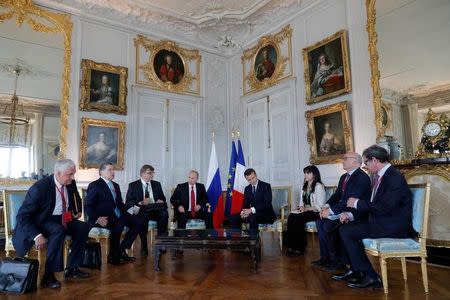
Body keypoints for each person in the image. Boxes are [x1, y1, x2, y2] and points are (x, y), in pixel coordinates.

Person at [338, 145, 413, 289]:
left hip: (394, 226)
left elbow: (384, 207)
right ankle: (358, 270)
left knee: (347, 231)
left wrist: (357, 203)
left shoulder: (394, 177)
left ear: (375, 160)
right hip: (383, 221)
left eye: (366, 163)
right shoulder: (383, 176)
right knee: (346, 227)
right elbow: (378, 206)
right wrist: (351, 214)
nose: (365, 166)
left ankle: (371, 277)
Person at [13, 159, 91, 289]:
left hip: (62, 218)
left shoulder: (69, 183)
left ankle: (72, 268)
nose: (72, 178)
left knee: (82, 227)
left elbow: (72, 201)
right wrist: (37, 235)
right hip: (41, 220)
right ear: (58, 173)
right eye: (69, 175)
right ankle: (48, 276)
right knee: (58, 230)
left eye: (73, 174)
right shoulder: (39, 188)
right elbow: (22, 216)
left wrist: (74, 213)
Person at [313, 152, 371, 273]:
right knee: (320, 222)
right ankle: (326, 257)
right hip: (343, 210)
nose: (342, 160)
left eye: (345, 158)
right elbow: (337, 195)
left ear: (356, 162)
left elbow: (350, 199)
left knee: (328, 225)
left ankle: (338, 261)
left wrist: (331, 211)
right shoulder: (344, 177)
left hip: (355, 214)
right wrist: (326, 206)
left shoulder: (362, 177)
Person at [85, 163, 143, 265]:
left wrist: (131, 208)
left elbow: (119, 204)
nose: (112, 172)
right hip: (103, 217)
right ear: (101, 172)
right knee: (118, 225)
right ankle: (113, 257)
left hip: (117, 215)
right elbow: (88, 206)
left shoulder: (115, 185)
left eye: (113, 170)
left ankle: (121, 250)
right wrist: (97, 218)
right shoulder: (95, 185)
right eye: (109, 170)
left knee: (138, 222)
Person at [126, 164, 168, 256]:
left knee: (164, 213)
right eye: (150, 173)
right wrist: (141, 202)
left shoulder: (157, 184)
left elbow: (163, 198)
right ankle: (144, 245)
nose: (152, 175)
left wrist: (161, 200)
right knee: (143, 216)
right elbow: (129, 202)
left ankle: (161, 243)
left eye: (153, 173)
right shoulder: (133, 185)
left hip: (155, 209)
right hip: (142, 209)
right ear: (142, 174)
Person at [285, 165, 326, 255]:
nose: (305, 175)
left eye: (308, 173)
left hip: (315, 211)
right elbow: (301, 202)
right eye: (305, 173)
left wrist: (307, 208)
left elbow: (320, 205)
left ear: (314, 174)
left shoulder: (319, 186)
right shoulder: (304, 186)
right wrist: (299, 208)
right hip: (305, 210)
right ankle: (291, 246)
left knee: (298, 218)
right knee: (291, 216)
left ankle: (300, 247)